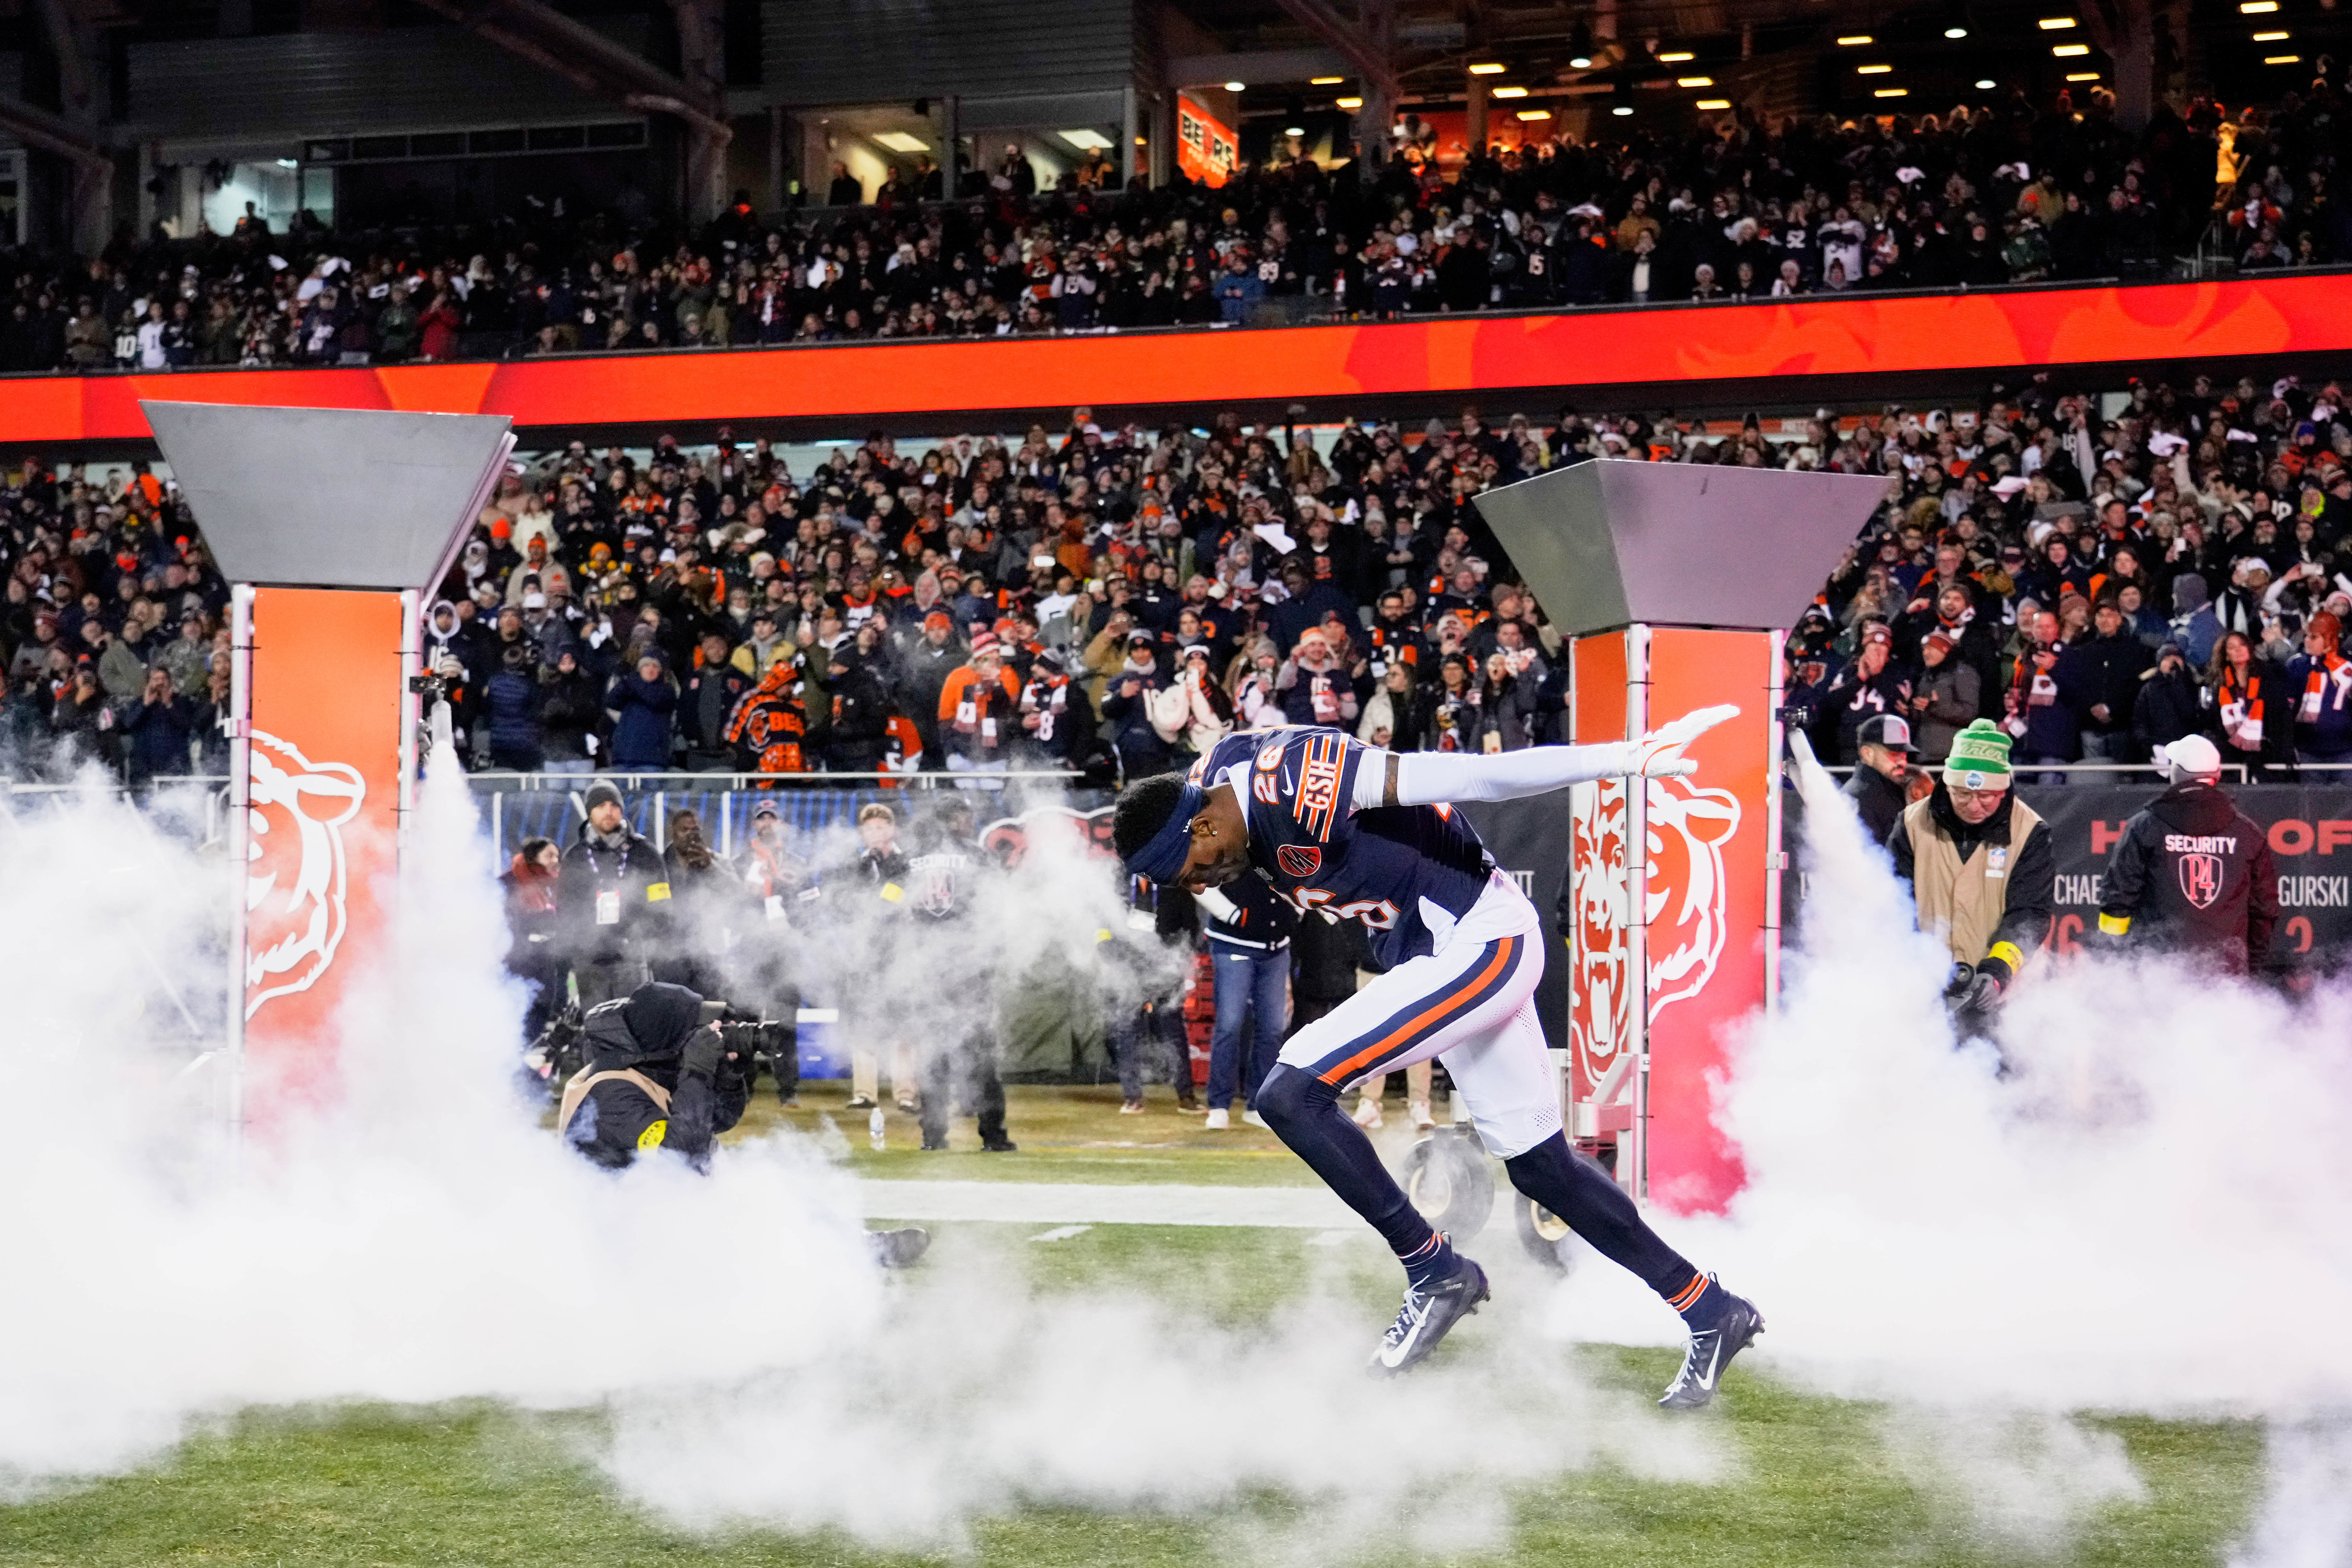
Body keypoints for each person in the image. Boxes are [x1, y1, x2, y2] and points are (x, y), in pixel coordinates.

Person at [1112, 707, 1763, 1402]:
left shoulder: (1300, 779)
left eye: (1191, 870)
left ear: (1204, 826)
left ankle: (1434, 1271)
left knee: (1287, 1091)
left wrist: (1623, 756)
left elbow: (1475, 773)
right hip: (1443, 952)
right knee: (1545, 1169)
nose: (1201, 883)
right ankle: (1710, 1309)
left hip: (1479, 937)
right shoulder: (1209, 791)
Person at [1886, 720, 2055, 1034]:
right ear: (1947, 785)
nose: (1974, 806)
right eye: (1962, 794)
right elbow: (1893, 904)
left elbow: (2029, 914)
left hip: (2007, 999)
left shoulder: (2030, 832)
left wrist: (1998, 972)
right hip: (1926, 994)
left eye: (1986, 796)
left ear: (2003, 789)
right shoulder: (1911, 824)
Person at [2097, 734, 2279, 972]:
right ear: (2216, 775)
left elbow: (2118, 897)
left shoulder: (2145, 826)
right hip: (2226, 975)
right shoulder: (2248, 833)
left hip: (2157, 971)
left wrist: (2115, 960)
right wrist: (2250, 966)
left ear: (2177, 774)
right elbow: (2264, 908)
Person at [906, 797, 1015, 1152]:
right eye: (965, 816)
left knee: (934, 1054)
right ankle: (993, 1135)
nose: (971, 821)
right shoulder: (979, 857)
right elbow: (998, 908)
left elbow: (890, 908)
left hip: (928, 968)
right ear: (952, 821)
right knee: (982, 1053)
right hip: (969, 967)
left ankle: (933, 1136)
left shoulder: (912, 861)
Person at [1191, 869, 1294, 1130]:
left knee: (1272, 1028)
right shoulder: (1235, 836)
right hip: (1233, 943)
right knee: (1230, 1024)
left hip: (1276, 947)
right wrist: (1232, 914)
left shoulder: (1285, 837)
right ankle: (1218, 1105)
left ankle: (1258, 1105)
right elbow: (1196, 877)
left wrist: (1296, 911)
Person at [556, 778, 667, 1007]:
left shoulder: (645, 853)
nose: (609, 811)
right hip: (590, 961)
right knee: (599, 1029)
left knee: (634, 1027)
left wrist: (643, 937)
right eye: (600, 806)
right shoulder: (575, 857)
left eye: (614, 805)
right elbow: (565, 910)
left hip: (633, 959)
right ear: (589, 812)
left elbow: (662, 906)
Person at [501, 835, 564, 1040]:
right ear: (533, 858)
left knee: (545, 1006)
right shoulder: (509, 883)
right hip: (518, 960)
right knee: (520, 1010)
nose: (555, 861)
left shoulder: (554, 885)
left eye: (557, 856)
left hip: (547, 959)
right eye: (549, 856)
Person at [2283, 610, 2352, 768]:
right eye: (2306, 636)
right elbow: (2287, 709)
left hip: (2347, 749)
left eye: (2314, 637)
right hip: (2308, 750)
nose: (2307, 641)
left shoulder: (2349, 664)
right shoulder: (2297, 665)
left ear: (2330, 638)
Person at [1842, 712, 1915, 847]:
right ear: (1868, 754)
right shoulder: (1857, 799)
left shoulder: (1890, 790)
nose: (1903, 762)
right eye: (1894, 754)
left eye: (1904, 755)